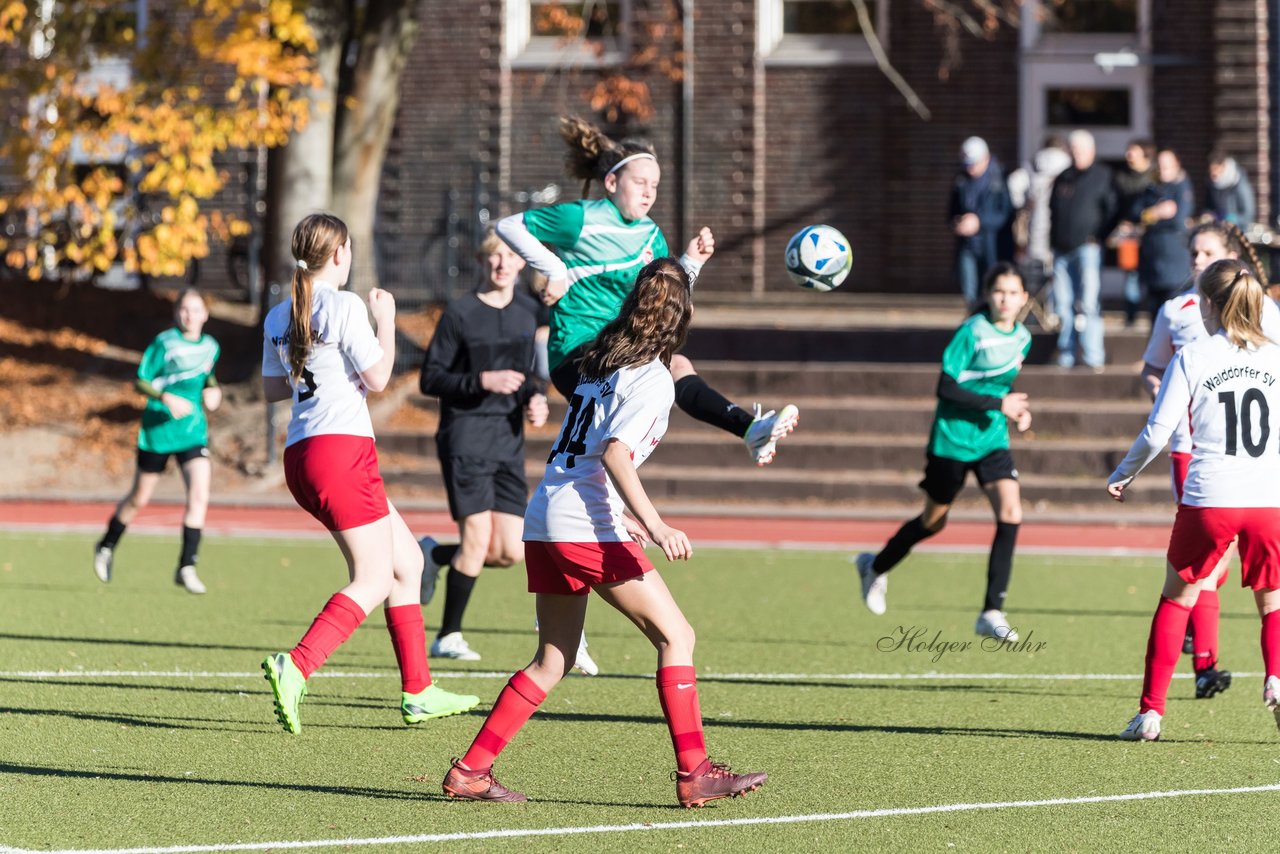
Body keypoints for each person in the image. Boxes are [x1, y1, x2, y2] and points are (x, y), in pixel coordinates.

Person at [441, 257, 767, 807]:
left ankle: (472, 770)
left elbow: (592, 453)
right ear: (682, 320)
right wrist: (658, 524)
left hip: (547, 515)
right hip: (582, 524)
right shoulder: (653, 380)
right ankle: (695, 773)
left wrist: (627, 517)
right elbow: (616, 453)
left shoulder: (603, 363)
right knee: (676, 637)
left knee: (554, 657)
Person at [259, 212, 479, 734]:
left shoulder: (278, 314)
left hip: (303, 454)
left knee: (406, 565)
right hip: (340, 453)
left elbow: (273, 390)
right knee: (375, 576)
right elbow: (379, 377)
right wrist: (387, 317)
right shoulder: (343, 304)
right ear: (339, 254)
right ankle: (299, 664)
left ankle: (419, 691)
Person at [495, 115, 798, 467]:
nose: (648, 192)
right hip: (575, 351)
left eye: (654, 184)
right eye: (639, 182)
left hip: (619, 347)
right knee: (634, 397)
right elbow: (509, 226)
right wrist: (554, 269)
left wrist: (692, 264)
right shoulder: (580, 218)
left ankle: (749, 428)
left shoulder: (652, 236)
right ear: (611, 182)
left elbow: (664, 299)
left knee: (676, 365)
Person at [1109, 257, 1280, 741]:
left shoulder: (1194, 356)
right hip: (1269, 497)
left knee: (1177, 598)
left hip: (1211, 497)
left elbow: (1158, 432)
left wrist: (1123, 474)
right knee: (1273, 602)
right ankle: (1276, 680)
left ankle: (1150, 713)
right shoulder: (1276, 354)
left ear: (1207, 304)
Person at [417, 230, 597, 676]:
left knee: (507, 552)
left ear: (522, 265)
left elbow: (530, 376)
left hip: (507, 440)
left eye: (510, 256)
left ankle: (434, 555)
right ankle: (447, 636)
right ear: (482, 262)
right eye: (494, 256)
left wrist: (534, 399)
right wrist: (482, 381)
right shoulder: (459, 312)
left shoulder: (528, 313)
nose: (502, 263)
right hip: (464, 436)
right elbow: (431, 379)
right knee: (477, 541)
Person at [856, 263, 1032, 641]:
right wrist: (998, 404)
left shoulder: (1022, 338)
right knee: (933, 521)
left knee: (1012, 512)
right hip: (952, 439)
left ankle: (991, 610)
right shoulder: (972, 332)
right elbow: (946, 388)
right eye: (999, 291)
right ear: (988, 294)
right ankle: (875, 565)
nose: (1005, 298)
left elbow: (998, 390)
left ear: (1025, 299)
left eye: (1013, 293)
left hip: (991, 440)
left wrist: (1015, 411)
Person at [92, 288, 221, 595]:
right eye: (184, 309)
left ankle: (186, 565)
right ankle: (106, 545)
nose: (189, 315)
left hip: (192, 431)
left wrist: (214, 391)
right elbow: (140, 380)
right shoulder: (165, 343)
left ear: (206, 314)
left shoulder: (211, 347)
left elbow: (208, 377)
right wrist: (165, 397)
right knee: (139, 497)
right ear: (177, 313)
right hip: (158, 431)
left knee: (199, 494)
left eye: (195, 309)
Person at [1048, 129, 1116, 370]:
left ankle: (1093, 356)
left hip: (1087, 248)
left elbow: (1111, 211)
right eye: (1074, 150)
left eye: (1082, 150)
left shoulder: (1103, 176)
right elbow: (1053, 212)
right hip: (1061, 249)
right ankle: (1066, 354)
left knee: (1088, 304)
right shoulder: (1063, 177)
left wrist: (1100, 237)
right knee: (1063, 305)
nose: (1078, 155)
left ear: (1092, 151)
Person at [1006, 134, 1071, 325]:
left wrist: (1021, 204)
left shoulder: (1034, 165)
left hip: (1036, 225)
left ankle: (1035, 313)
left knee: (1037, 272)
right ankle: (1056, 313)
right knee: (1057, 273)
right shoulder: (1067, 164)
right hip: (1061, 225)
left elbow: (1013, 183)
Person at [948, 136, 1012, 309]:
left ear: (986, 158)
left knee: (990, 289)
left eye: (974, 163)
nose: (970, 168)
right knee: (970, 291)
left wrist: (979, 222)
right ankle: (974, 322)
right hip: (967, 245)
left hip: (991, 246)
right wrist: (958, 223)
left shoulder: (999, 179)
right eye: (967, 164)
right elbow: (951, 212)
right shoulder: (961, 180)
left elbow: (1006, 213)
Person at [1134, 149, 1195, 322]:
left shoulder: (1182, 188)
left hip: (1175, 266)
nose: (1163, 170)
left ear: (1176, 166)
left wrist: (1153, 219)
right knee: (1155, 319)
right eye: (1160, 166)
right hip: (1153, 264)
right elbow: (1135, 214)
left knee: (1174, 318)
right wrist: (1156, 213)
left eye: (1167, 166)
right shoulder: (1151, 188)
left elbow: (1178, 221)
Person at [1112, 139, 1157, 327]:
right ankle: (1130, 315)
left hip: (1151, 235)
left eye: (1133, 152)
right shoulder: (1122, 178)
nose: (1128, 156)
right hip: (1130, 234)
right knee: (1131, 276)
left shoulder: (1154, 177)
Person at [1206, 148, 1256, 228]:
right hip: (1221, 230)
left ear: (1223, 166)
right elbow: (1209, 206)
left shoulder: (1239, 183)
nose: (1213, 173)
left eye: (1215, 169)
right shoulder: (1213, 185)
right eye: (1210, 170)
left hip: (1238, 231)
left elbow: (1248, 215)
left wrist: (1230, 219)